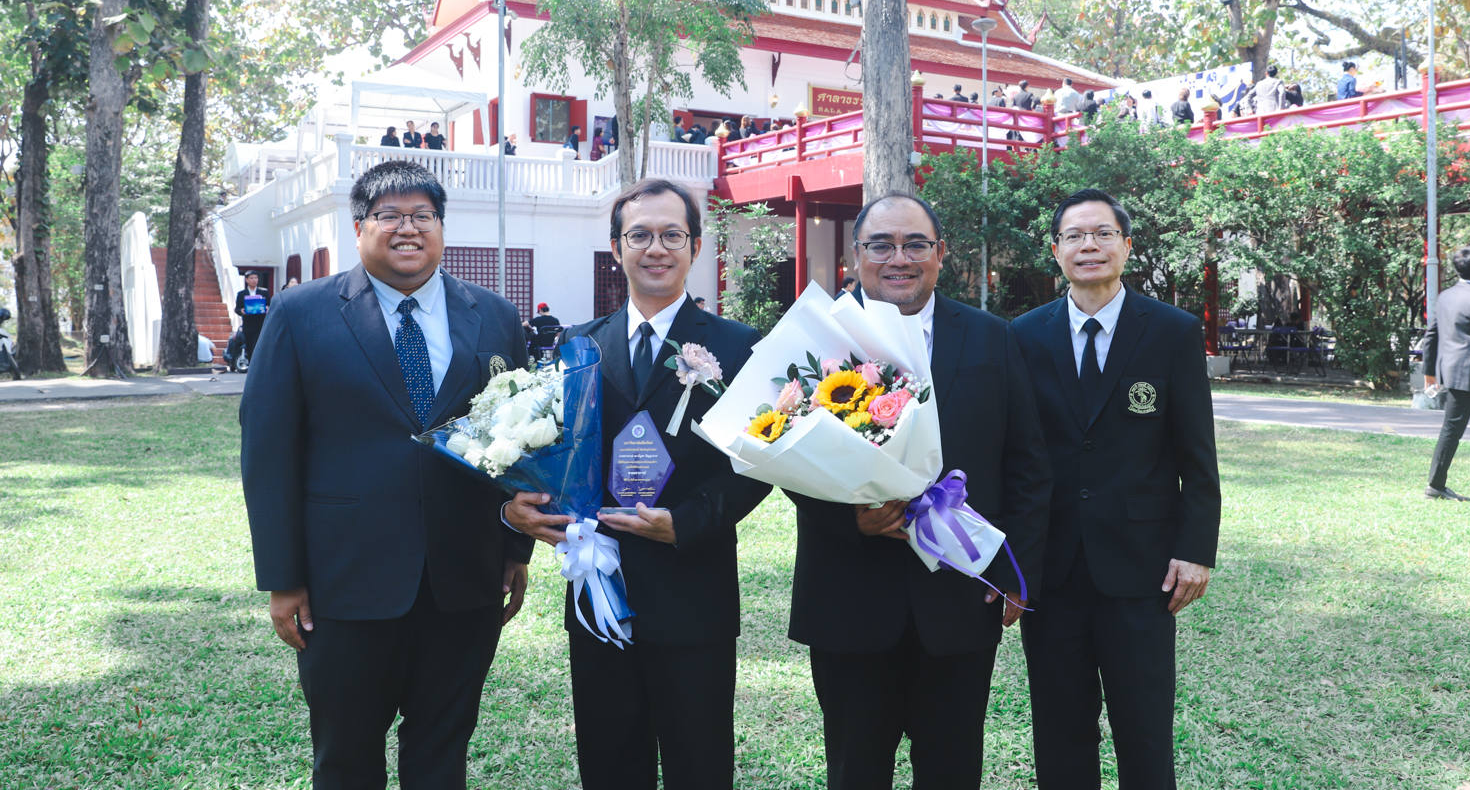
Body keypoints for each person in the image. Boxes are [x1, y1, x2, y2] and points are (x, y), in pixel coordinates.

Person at [240, 159, 533, 787]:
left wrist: (514, 549)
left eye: (423, 215)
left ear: (441, 226)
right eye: (389, 215)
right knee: (346, 757)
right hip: (345, 579)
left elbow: (521, 439)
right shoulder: (300, 312)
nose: (408, 228)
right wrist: (283, 578)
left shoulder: (495, 315)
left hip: (465, 576)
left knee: (442, 751)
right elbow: (268, 452)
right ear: (359, 227)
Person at [505, 178, 770, 790]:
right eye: (640, 235)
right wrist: (527, 506)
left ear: (695, 246)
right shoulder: (578, 345)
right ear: (616, 248)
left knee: (699, 765)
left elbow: (757, 463)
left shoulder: (738, 346)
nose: (656, 249)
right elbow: (550, 448)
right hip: (599, 587)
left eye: (672, 235)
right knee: (609, 763)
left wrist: (687, 523)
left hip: (693, 588)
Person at [785, 193, 1052, 790]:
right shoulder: (816, 341)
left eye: (915, 245)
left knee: (953, 771)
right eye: (881, 245)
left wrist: (1017, 573)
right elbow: (787, 459)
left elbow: (1028, 464)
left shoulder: (991, 337)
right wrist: (850, 522)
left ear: (940, 253)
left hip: (959, 596)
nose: (898, 258)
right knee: (855, 772)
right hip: (850, 597)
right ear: (856, 254)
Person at [1011, 188, 1220, 788]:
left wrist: (1196, 550)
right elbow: (1015, 455)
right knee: (1059, 727)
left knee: (1144, 728)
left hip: (1142, 569)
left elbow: (1197, 457)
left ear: (1126, 246)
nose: (1090, 246)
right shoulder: (1023, 335)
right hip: (1050, 569)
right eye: (1075, 235)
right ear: (1056, 250)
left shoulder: (1172, 331)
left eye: (1103, 233)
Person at [1421, 246, 1470, 501]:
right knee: (1452, 429)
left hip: (1462, 374)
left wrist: (1429, 372)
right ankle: (1435, 485)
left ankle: (1436, 484)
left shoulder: (1446, 295)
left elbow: (1431, 335)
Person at [234, 273, 269, 363]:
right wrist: (242, 311)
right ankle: (251, 365)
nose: (254, 280)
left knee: (260, 346)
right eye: (251, 278)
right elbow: (237, 309)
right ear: (246, 280)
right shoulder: (241, 294)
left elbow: (270, 305)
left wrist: (267, 308)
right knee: (250, 347)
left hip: (261, 324)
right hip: (248, 325)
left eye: (256, 278)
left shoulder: (264, 292)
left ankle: (261, 365)